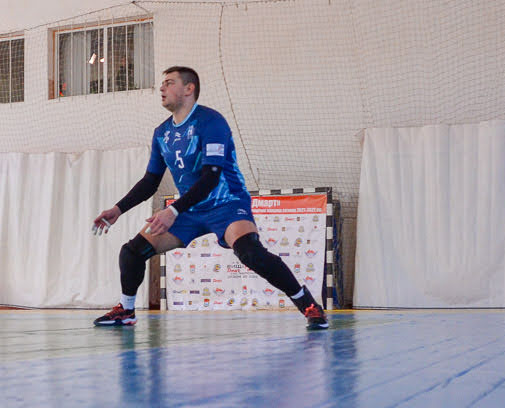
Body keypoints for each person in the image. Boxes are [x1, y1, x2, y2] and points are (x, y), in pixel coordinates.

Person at [92, 66, 328, 330]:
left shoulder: (211, 121)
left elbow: (211, 176)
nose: (162, 88)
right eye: (162, 84)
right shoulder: (162, 133)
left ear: (189, 89)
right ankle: (126, 310)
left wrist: (173, 211)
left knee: (250, 252)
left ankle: (306, 302)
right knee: (132, 252)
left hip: (227, 203)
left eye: (169, 83)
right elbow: (150, 181)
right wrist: (118, 209)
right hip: (190, 210)